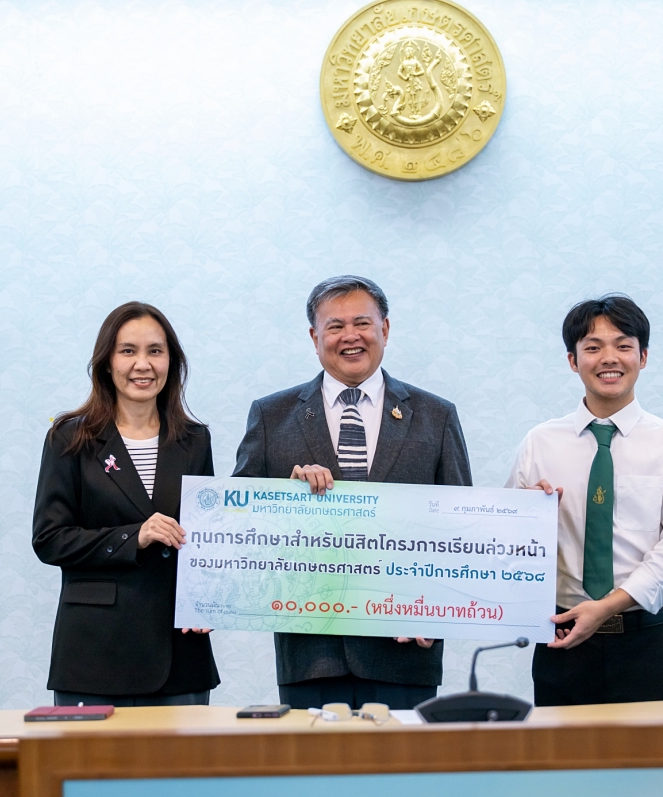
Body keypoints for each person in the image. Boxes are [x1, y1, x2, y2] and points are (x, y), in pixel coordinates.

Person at [234, 275, 472, 710]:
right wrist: (284, 500)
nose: (351, 336)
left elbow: (460, 527)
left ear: (385, 329)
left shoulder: (436, 416)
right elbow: (238, 524)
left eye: (362, 323)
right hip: (311, 653)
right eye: (335, 326)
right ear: (315, 337)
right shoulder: (271, 416)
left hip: (406, 648)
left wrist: (438, 613)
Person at [505, 294, 663, 706]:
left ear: (643, 357)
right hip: (563, 643)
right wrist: (525, 519)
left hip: (651, 643)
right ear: (573, 360)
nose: (609, 358)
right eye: (593, 347)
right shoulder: (539, 443)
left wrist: (605, 607)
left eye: (623, 346)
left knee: (661, 750)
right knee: (562, 750)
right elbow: (504, 547)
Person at [33, 302, 219, 706]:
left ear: (171, 362)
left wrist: (209, 600)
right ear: (106, 362)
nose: (143, 364)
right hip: (95, 653)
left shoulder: (195, 440)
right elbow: (50, 539)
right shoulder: (70, 439)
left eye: (155, 351)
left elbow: (206, 538)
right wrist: (133, 537)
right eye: (128, 351)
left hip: (179, 652)